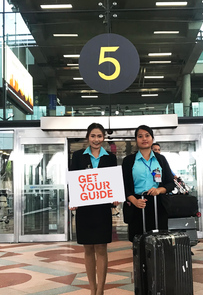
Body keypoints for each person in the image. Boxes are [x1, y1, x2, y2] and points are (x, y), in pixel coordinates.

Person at [69, 122, 119, 295]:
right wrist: (73, 199)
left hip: (102, 209)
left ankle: (101, 290)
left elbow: (113, 183)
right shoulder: (77, 156)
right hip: (84, 208)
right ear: (87, 137)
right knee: (88, 248)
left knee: (101, 248)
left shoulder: (110, 158)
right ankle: (92, 289)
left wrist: (115, 197)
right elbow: (73, 180)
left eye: (99, 136)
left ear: (104, 138)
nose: (96, 139)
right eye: (93, 136)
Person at [122, 125, 175, 242]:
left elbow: (171, 183)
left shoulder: (160, 159)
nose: (144, 139)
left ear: (152, 138)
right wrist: (134, 201)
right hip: (137, 204)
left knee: (159, 242)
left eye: (147, 135)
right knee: (138, 242)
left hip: (158, 204)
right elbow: (124, 186)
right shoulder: (128, 161)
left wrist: (159, 190)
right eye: (140, 136)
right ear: (136, 140)